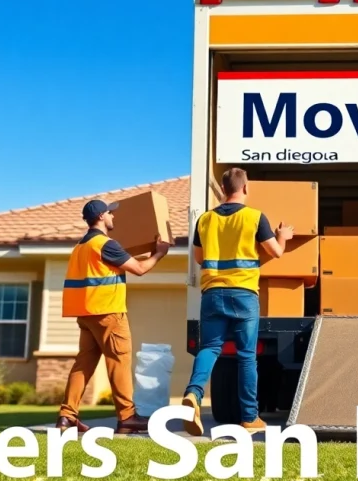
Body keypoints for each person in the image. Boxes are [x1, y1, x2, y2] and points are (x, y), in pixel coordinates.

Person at [181, 167, 294, 436]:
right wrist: (283, 236)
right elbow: (276, 252)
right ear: (245, 188)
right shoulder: (255, 217)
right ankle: (249, 417)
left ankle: (193, 394)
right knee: (246, 357)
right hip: (243, 294)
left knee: (209, 348)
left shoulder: (205, 220)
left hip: (211, 294)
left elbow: (199, 258)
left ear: (222, 190)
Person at [56, 198, 170, 435]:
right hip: (108, 313)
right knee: (119, 362)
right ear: (100, 217)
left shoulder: (81, 246)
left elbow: (122, 264)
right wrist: (160, 253)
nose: (113, 217)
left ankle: (67, 416)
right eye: (109, 213)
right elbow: (139, 269)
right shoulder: (106, 244)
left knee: (83, 364)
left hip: (86, 314)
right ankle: (127, 417)